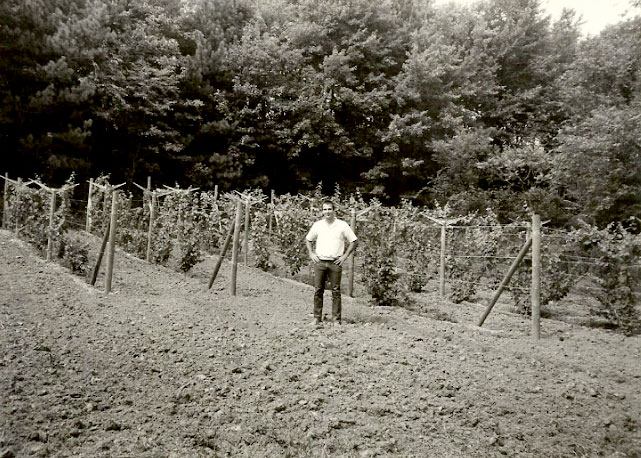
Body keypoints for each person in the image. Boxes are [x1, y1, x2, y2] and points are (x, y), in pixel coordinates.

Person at [305, 200, 358, 325]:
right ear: (322, 211)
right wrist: (311, 253)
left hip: (335, 263)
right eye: (325, 209)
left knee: (336, 291)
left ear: (334, 210)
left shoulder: (342, 225)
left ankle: (336, 320)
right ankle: (317, 318)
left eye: (329, 209)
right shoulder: (318, 225)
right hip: (320, 262)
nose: (327, 212)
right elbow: (308, 239)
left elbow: (354, 241)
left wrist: (344, 256)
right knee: (318, 290)